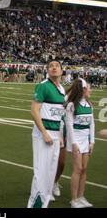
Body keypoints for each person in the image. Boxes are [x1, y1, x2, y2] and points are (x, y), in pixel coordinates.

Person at [27, 61, 65, 208]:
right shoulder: (43, 85)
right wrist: (44, 133)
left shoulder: (61, 89)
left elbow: (60, 116)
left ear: (62, 71)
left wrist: (60, 135)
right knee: (41, 172)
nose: (54, 67)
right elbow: (34, 111)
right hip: (44, 134)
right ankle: (34, 205)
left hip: (55, 135)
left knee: (50, 173)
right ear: (47, 71)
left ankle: (44, 203)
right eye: (50, 66)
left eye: (57, 66)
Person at [65, 78, 95, 208]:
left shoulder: (89, 105)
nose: (91, 90)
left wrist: (92, 141)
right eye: (89, 88)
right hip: (76, 140)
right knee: (77, 169)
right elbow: (69, 125)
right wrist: (74, 143)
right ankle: (74, 200)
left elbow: (92, 124)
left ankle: (81, 197)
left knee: (84, 169)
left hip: (86, 140)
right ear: (83, 89)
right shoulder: (72, 105)